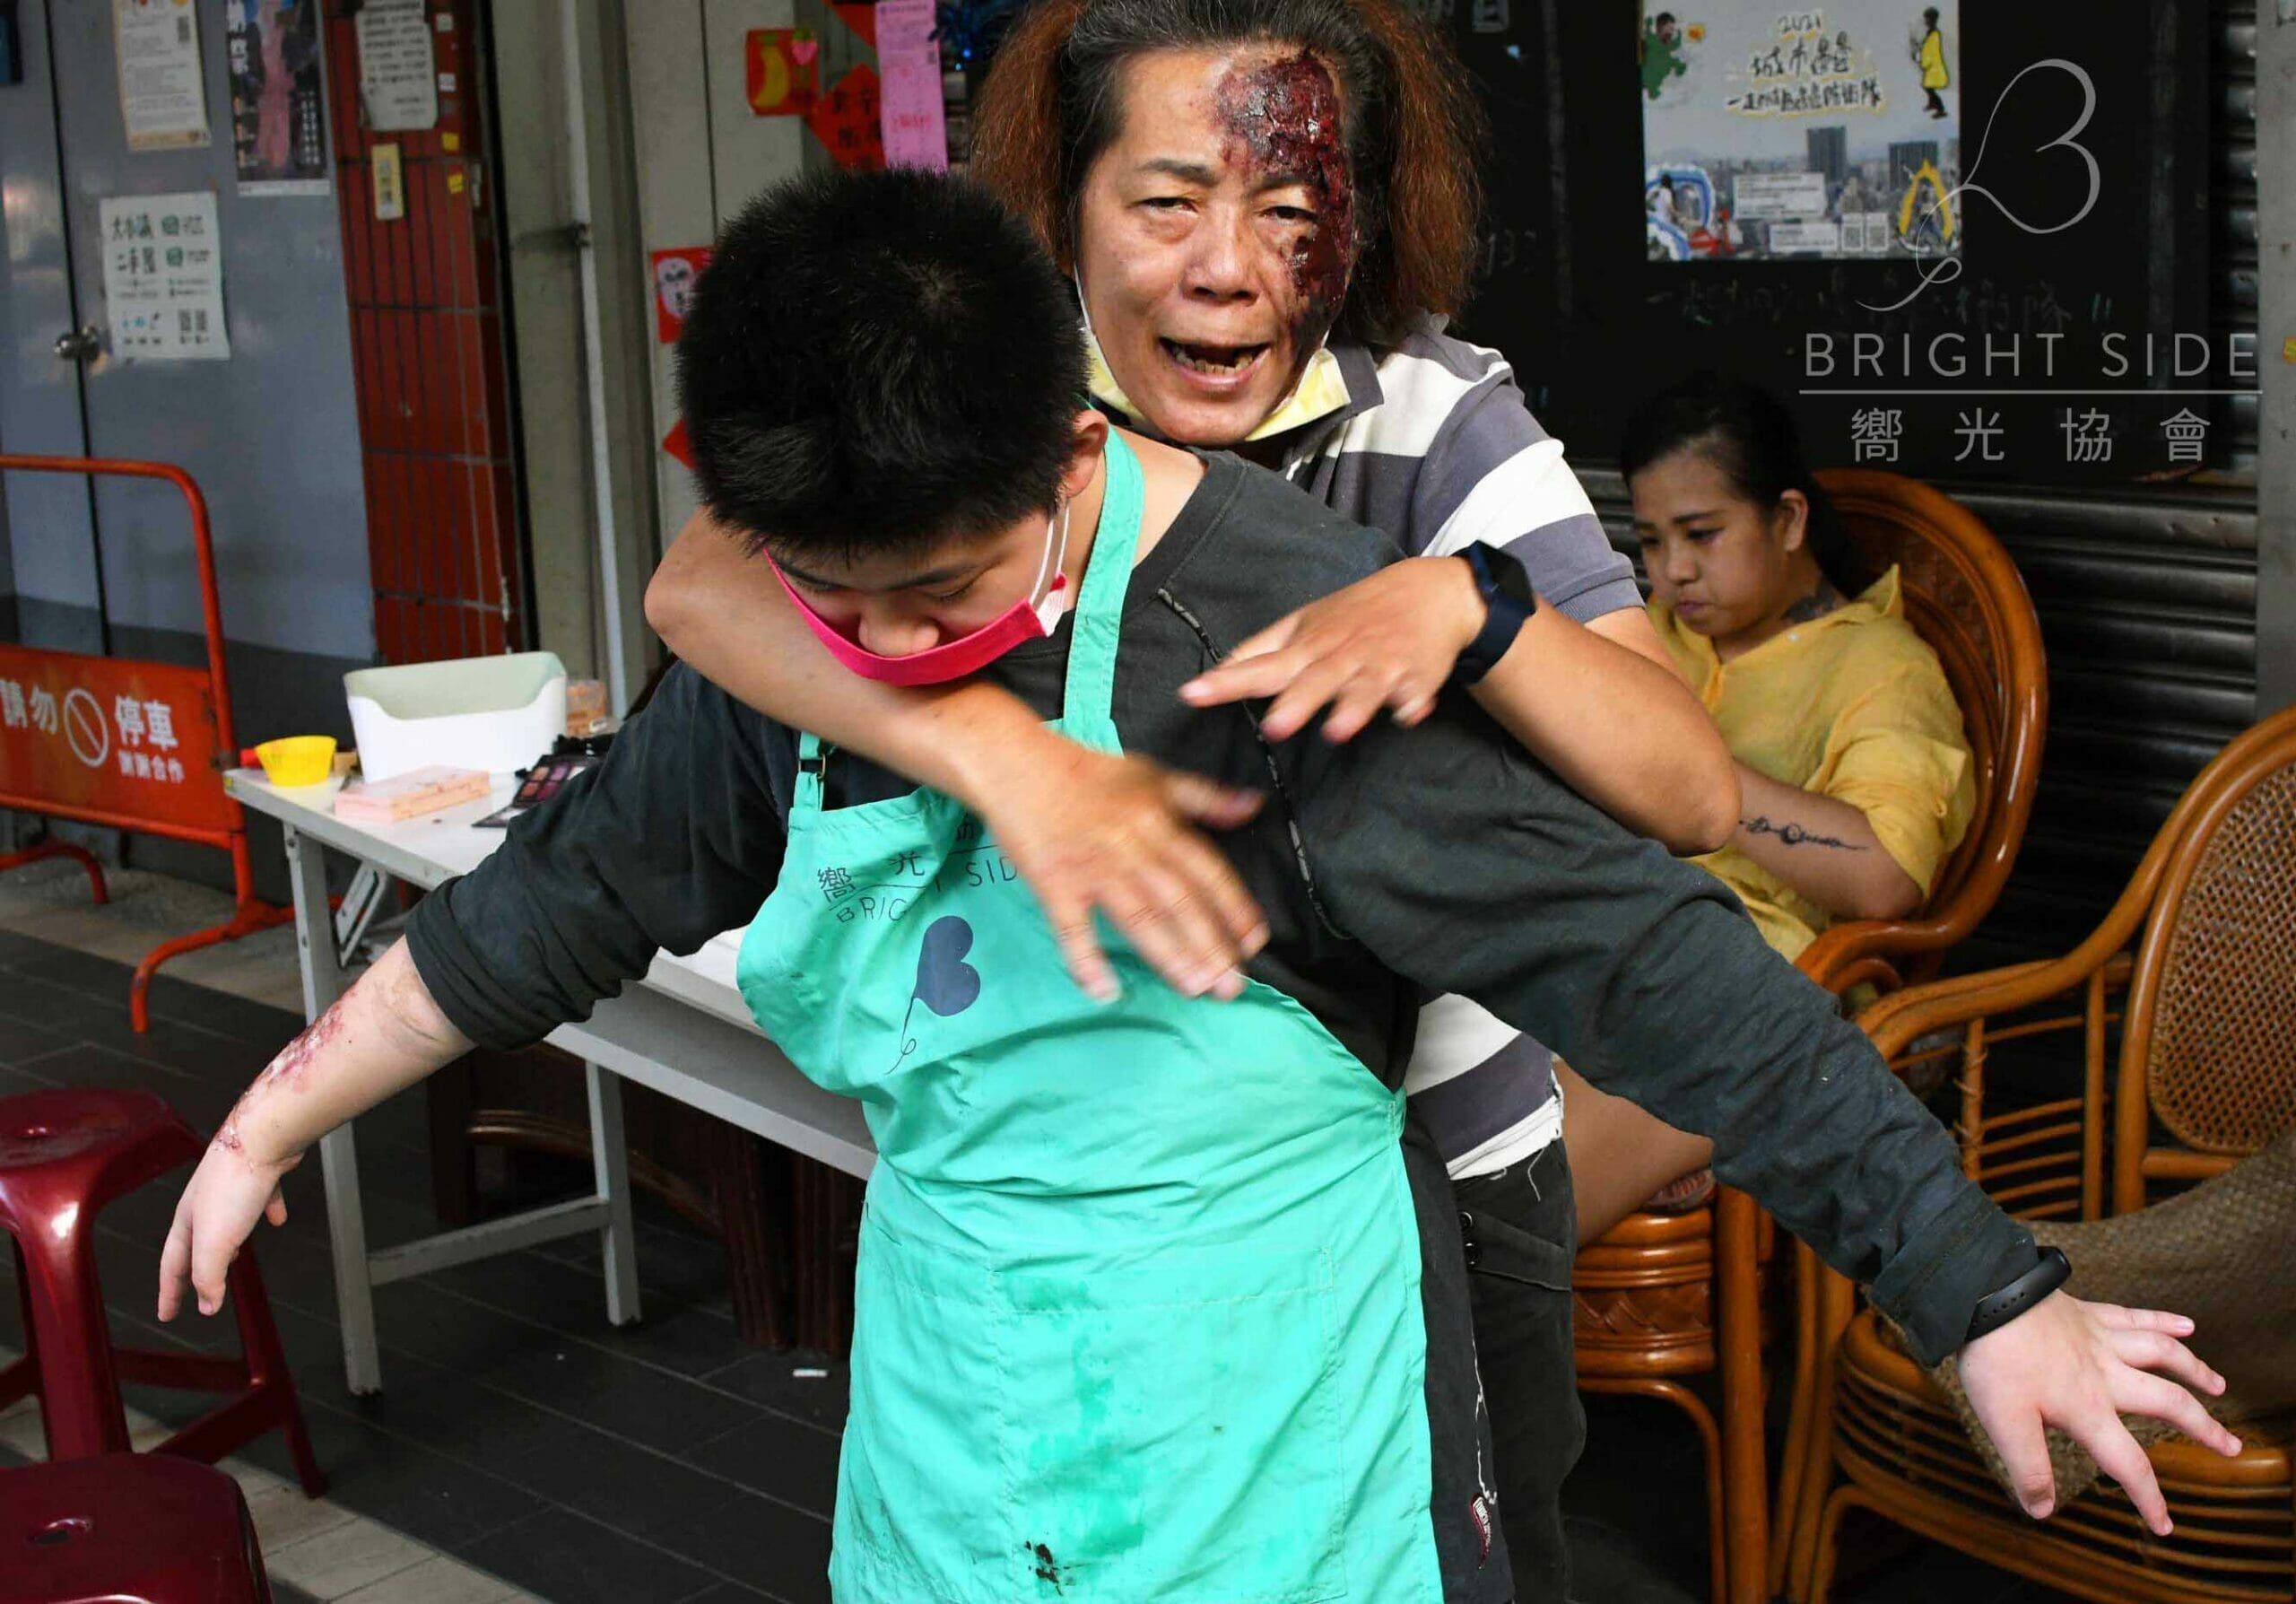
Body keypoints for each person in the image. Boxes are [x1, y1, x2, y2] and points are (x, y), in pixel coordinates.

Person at [162, 170, 2239, 1604]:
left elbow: (1660, 972)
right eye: (830, 603)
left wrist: (1977, 1292)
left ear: (1070, 461)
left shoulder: (1284, 653)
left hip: (1279, 1474)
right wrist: (273, 1119)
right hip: (956, 1451)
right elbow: (563, 899)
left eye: (939, 597)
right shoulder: (789, 636)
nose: (881, 652)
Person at [641, 4, 1739, 1589]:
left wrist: (1472, 604)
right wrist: (1000, 754)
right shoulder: (1005, 394)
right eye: (1167, 203)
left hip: (1434, 1165)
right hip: (1072, 1182)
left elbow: (1689, 785)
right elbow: (702, 585)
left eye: (1289, 211)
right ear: (1062, 209)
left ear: (1356, 219)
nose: (1228, 269)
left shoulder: (1431, 417)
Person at [1565, 372, 1979, 1234]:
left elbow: (1886, 876)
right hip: (1595, 942)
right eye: (1651, 541)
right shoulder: (1652, 632)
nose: (1674, 570)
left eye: (1702, 534)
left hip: (1742, 992)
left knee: (1511, 1199)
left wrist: (1694, 776)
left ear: (1788, 520)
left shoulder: (1879, 669)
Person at [1916, 7, 1949, 118]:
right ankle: (1932, 104)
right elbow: (1926, 47)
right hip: (1931, 66)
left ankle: (1941, 109)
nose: (1925, 21)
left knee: (1928, 87)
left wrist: (1925, 62)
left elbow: (1931, 50)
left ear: (1932, 19)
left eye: (1927, 19)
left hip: (1934, 67)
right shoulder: (1931, 32)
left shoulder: (1934, 34)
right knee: (1927, 86)